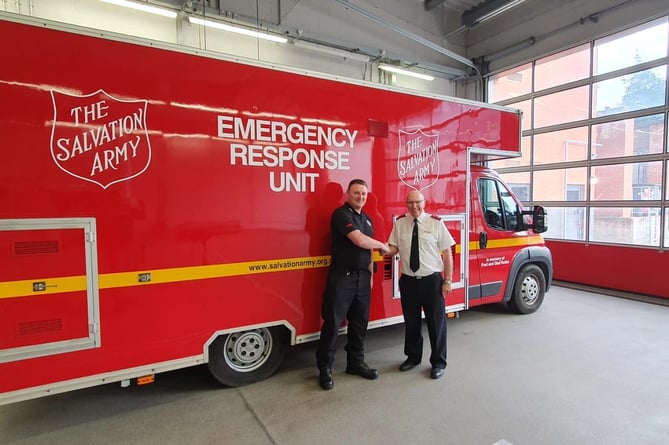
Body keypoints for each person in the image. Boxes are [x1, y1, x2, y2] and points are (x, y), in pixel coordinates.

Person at [315, 179, 390, 390]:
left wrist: (370, 277)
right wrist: (382, 246)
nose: (361, 197)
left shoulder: (367, 219)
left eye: (364, 194)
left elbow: (367, 251)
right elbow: (359, 241)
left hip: (362, 279)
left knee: (359, 323)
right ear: (348, 193)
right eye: (357, 193)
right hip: (342, 277)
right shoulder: (341, 214)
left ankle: (355, 363)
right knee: (333, 323)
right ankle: (324, 368)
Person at [386, 189, 455, 379]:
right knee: (412, 323)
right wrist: (383, 248)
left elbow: (447, 253)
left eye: (417, 202)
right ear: (406, 204)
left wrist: (447, 280)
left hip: (432, 281)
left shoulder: (436, 223)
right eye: (410, 203)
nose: (414, 206)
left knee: (436, 323)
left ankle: (438, 362)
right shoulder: (400, 224)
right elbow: (393, 247)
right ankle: (413, 357)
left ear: (424, 203)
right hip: (409, 282)